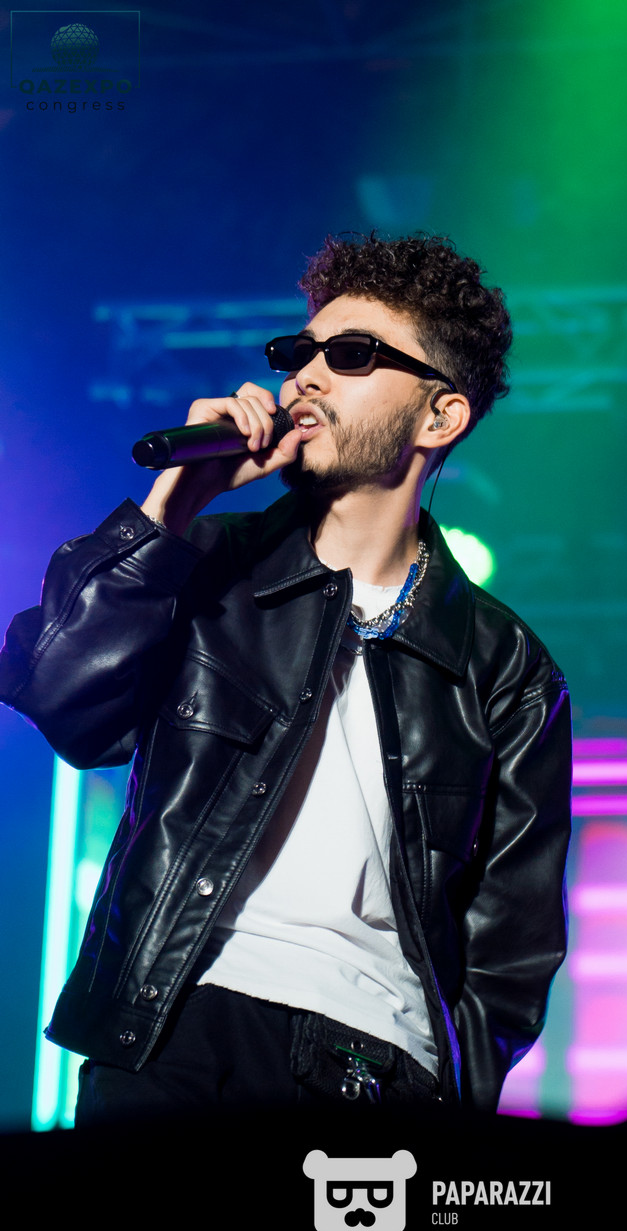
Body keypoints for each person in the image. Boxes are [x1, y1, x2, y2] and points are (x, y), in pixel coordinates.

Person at [0, 233, 572, 1118]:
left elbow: (512, 949)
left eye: (351, 356)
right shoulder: (201, 560)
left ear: (439, 417)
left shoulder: (505, 666)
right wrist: (170, 513)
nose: (305, 377)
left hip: (378, 1065)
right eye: (300, 352)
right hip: (174, 1027)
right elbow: (61, 700)